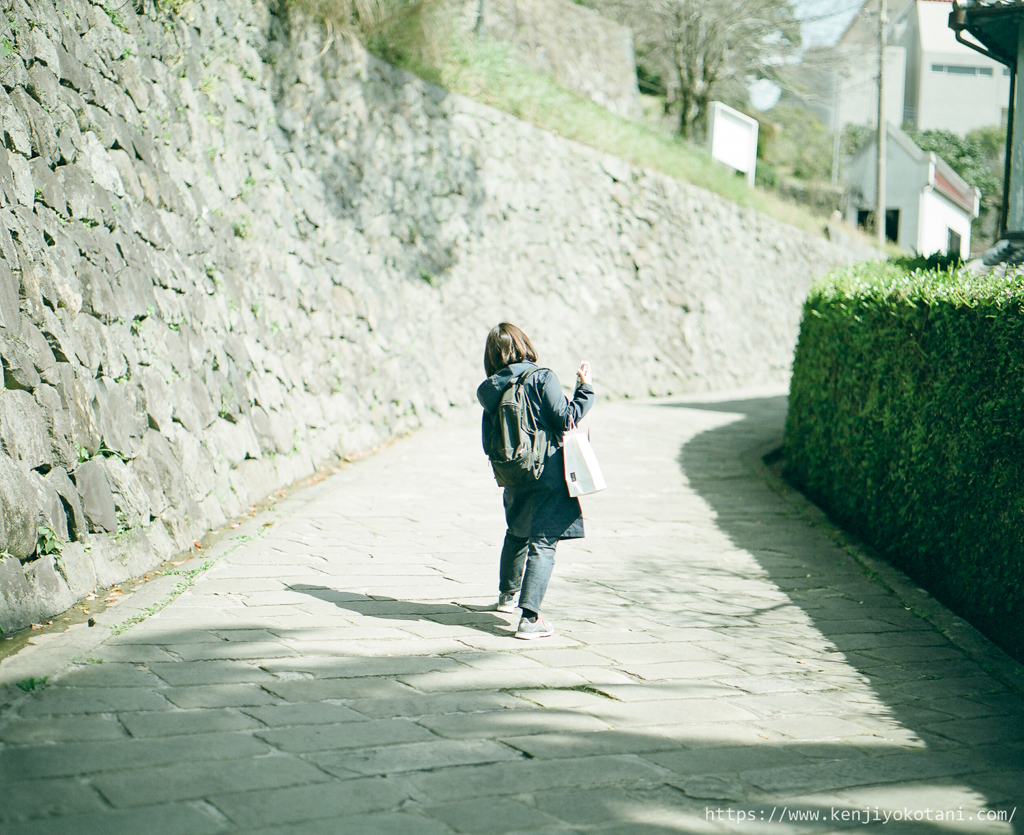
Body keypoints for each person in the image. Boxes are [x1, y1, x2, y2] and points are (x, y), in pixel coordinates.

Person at [476, 323, 595, 639]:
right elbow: (566, 418)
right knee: (543, 542)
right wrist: (585, 389)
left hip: (512, 472)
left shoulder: (489, 389)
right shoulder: (542, 377)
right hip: (547, 472)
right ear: (523, 345)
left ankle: (507, 596)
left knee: (516, 532)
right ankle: (530, 619)